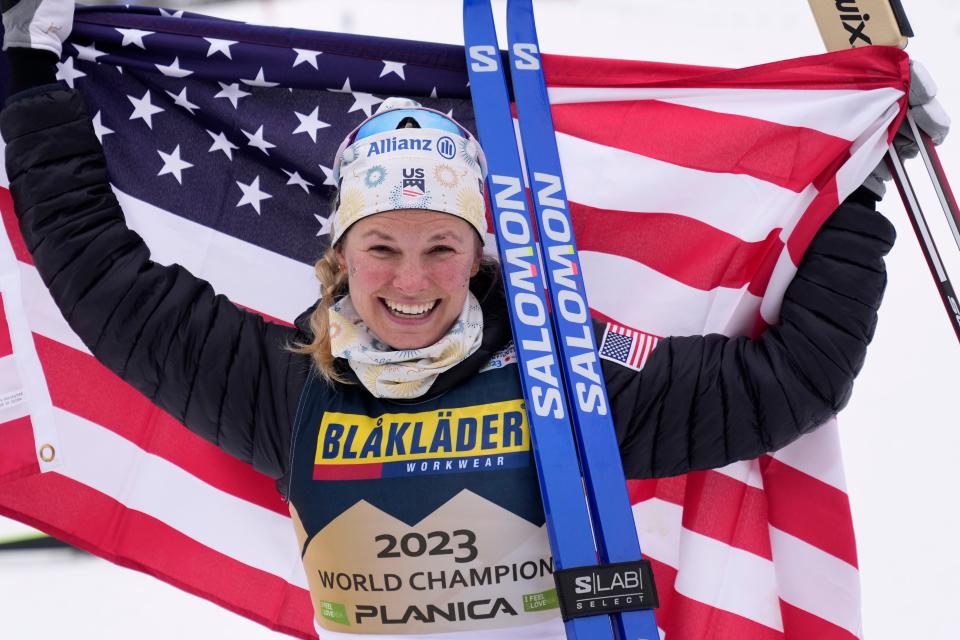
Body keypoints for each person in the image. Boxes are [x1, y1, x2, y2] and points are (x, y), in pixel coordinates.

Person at [0, 1, 948, 637]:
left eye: (441, 248)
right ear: (338, 256)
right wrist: (30, 73)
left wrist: (856, 188)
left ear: (480, 254)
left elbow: (790, 383)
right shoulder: (288, 387)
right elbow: (100, 275)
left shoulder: (567, 383)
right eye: (383, 248)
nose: (411, 281)